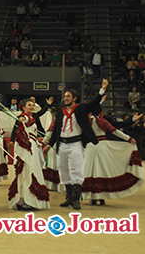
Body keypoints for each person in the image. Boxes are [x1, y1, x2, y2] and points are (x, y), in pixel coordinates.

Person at [46, 78, 109, 210]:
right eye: (64, 96)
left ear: (74, 98)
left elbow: (93, 104)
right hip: (62, 144)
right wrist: (49, 145)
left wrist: (102, 89)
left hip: (76, 144)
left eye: (68, 96)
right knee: (63, 171)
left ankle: (76, 199)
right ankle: (69, 198)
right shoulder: (61, 112)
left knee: (76, 170)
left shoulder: (80, 109)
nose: (66, 98)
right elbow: (56, 131)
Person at [81, 106, 144, 205]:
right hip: (103, 146)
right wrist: (128, 138)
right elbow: (115, 131)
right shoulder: (102, 121)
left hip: (91, 146)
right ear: (101, 112)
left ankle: (93, 196)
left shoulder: (86, 121)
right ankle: (101, 197)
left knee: (90, 170)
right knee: (103, 171)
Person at [8, 98, 50, 210]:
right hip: (25, 147)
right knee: (26, 171)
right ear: (24, 107)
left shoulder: (32, 117)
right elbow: (23, 120)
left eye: (33, 105)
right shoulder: (25, 117)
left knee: (31, 171)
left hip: (32, 146)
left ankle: (29, 199)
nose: (32, 107)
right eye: (29, 105)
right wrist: (23, 118)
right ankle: (22, 199)